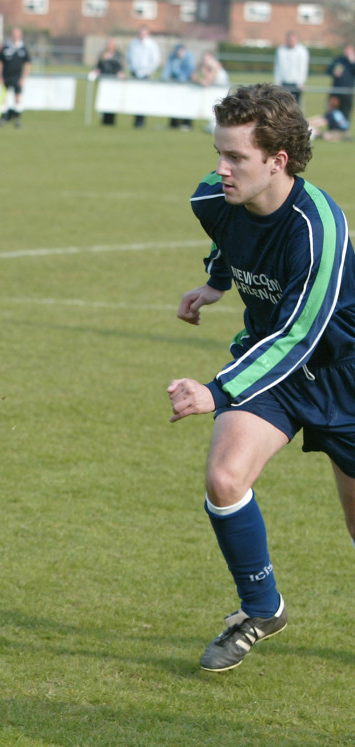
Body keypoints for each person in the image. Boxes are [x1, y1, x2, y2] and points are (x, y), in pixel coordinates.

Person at [168, 83, 355, 674]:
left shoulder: (319, 227)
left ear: (278, 161)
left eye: (236, 158)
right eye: (219, 152)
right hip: (272, 369)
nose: (220, 168)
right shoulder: (212, 198)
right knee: (225, 478)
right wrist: (217, 283)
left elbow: (301, 334)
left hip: (342, 376)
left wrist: (216, 390)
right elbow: (228, 234)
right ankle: (261, 609)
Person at [0, 27, 31, 128]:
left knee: (17, 98)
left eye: (17, 35)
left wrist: (23, 78)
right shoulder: (6, 48)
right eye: (14, 34)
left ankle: (17, 119)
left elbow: (27, 64)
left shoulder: (23, 49)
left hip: (17, 77)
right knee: (4, 98)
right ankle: (3, 118)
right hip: (6, 76)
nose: (15, 37)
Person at [127, 27, 160, 128]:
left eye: (144, 33)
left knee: (143, 99)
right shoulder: (133, 44)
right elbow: (129, 58)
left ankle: (141, 121)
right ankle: (136, 120)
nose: (142, 35)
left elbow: (155, 61)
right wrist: (133, 70)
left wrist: (146, 72)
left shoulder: (152, 45)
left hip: (146, 76)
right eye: (140, 33)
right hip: (135, 75)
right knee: (134, 99)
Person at [90, 38, 125, 125]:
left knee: (112, 101)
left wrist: (120, 73)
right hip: (103, 81)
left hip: (114, 82)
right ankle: (104, 120)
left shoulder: (118, 55)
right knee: (103, 101)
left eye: (112, 44)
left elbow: (120, 67)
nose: (110, 45)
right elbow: (98, 66)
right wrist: (96, 71)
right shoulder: (102, 54)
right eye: (109, 43)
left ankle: (111, 120)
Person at [162, 44, 195, 130]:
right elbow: (167, 69)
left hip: (187, 86)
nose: (179, 54)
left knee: (187, 104)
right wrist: (163, 79)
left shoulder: (189, 57)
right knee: (173, 103)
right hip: (175, 85)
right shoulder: (172, 56)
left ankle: (187, 124)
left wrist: (181, 79)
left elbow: (189, 70)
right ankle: (174, 123)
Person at [274, 31, 309, 105]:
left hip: (296, 84)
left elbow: (303, 68)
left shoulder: (302, 51)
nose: (291, 42)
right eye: (289, 40)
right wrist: (277, 82)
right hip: (284, 83)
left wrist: (301, 82)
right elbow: (278, 67)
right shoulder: (281, 50)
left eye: (293, 40)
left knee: (295, 105)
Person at [328, 45, 355, 122]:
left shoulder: (352, 62)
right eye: (346, 50)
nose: (347, 52)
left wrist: (352, 61)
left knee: (345, 112)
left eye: (349, 51)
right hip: (336, 91)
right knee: (332, 111)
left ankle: (344, 130)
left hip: (347, 92)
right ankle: (333, 128)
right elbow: (329, 70)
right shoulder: (338, 60)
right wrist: (334, 72)